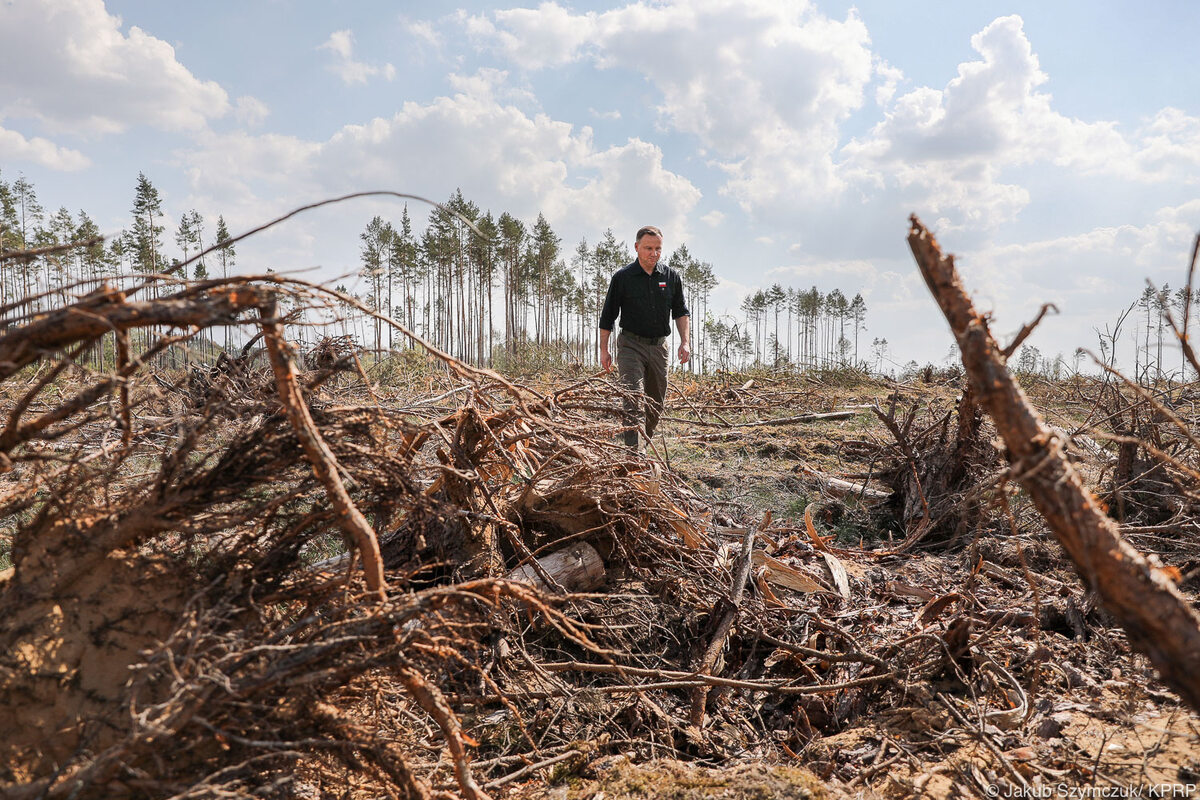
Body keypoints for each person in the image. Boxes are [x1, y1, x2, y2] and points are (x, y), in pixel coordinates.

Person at [598, 225, 690, 452]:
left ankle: (643, 444)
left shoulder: (671, 277)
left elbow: (680, 312)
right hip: (630, 345)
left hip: (659, 346)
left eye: (658, 248)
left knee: (655, 402)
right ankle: (632, 453)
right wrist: (603, 349)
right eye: (648, 248)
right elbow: (608, 315)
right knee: (632, 396)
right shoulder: (623, 278)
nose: (654, 253)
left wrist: (685, 341)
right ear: (637, 247)